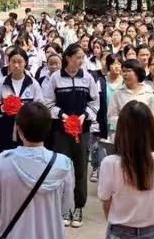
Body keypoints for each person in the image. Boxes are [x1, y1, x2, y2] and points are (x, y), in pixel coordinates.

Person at [0, 102, 74, 239]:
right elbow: (66, 205)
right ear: (48, 128)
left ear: (19, 129)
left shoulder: (4, 161)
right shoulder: (63, 164)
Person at [98, 101, 154, 239]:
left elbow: (106, 203)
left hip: (119, 232)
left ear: (121, 129)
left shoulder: (110, 163)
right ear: (152, 128)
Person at [44, 43, 100, 228]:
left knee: (80, 168)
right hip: (61, 132)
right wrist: (64, 116)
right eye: (78, 57)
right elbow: (48, 102)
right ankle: (63, 206)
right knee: (62, 169)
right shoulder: (55, 78)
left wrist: (84, 116)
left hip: (82, 132)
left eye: (83, 57)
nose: (81, 60)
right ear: (68, 58)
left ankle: (78, 206)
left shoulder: (88, 78)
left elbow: (94, 102)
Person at [0, 48, 44, 152]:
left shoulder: (33, 84)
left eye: (20, 62)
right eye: (13, 62)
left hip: (27, 132)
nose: (16, 65)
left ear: (25, 62)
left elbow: (40, 106)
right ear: (8, 63)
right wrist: (2, 107)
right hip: (5, 130)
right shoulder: (1, 83)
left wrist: (26, 109)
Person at [107, 59, 154, 136]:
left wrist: (144, 124)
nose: (125, 74)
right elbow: (111, 117)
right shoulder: (118, 93)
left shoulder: (148, 93)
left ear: (137, 72)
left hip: (144, 136)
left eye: (128, 71)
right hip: (125, 136)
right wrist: (127, 121)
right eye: (123, 71)